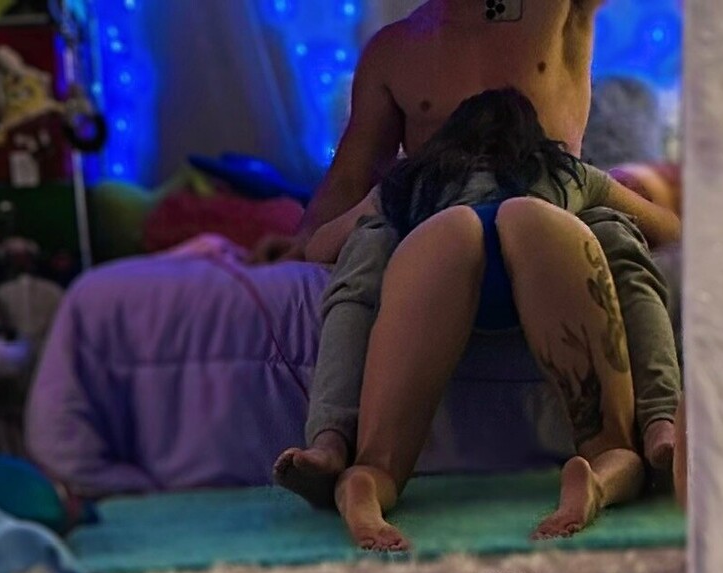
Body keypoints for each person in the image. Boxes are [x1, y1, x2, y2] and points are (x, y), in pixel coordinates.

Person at [262, 0, 684, 508]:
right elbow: (352, 177)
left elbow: (657, 224)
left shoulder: (560, 12)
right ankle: (332, 443)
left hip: (556, 210)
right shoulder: (394, 51)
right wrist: (303, 240)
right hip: (430, 217)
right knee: (366, 250)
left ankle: (662, 423)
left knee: (618, 240)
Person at [311, 88, 680, 550]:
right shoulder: (566, 171)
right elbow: (668, 228)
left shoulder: (411, 180)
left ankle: (361, 479)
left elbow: (321, 245)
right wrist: (597, 205)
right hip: (542, 234)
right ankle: (613, 464)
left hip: (440, 243)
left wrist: (382, 215)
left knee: (380, 460)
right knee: (615, 448)